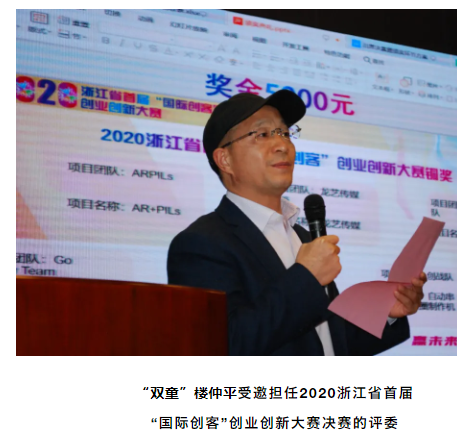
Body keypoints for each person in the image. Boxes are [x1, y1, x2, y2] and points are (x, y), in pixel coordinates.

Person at [167, 90, 426, 355]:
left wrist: (387, 313)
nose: (282, 145)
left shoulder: (301, 236)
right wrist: (307, 277)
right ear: (225, 160)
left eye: (284, 133)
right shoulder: (200, 244)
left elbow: (330, 341)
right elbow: (223, 344)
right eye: (262, 134)